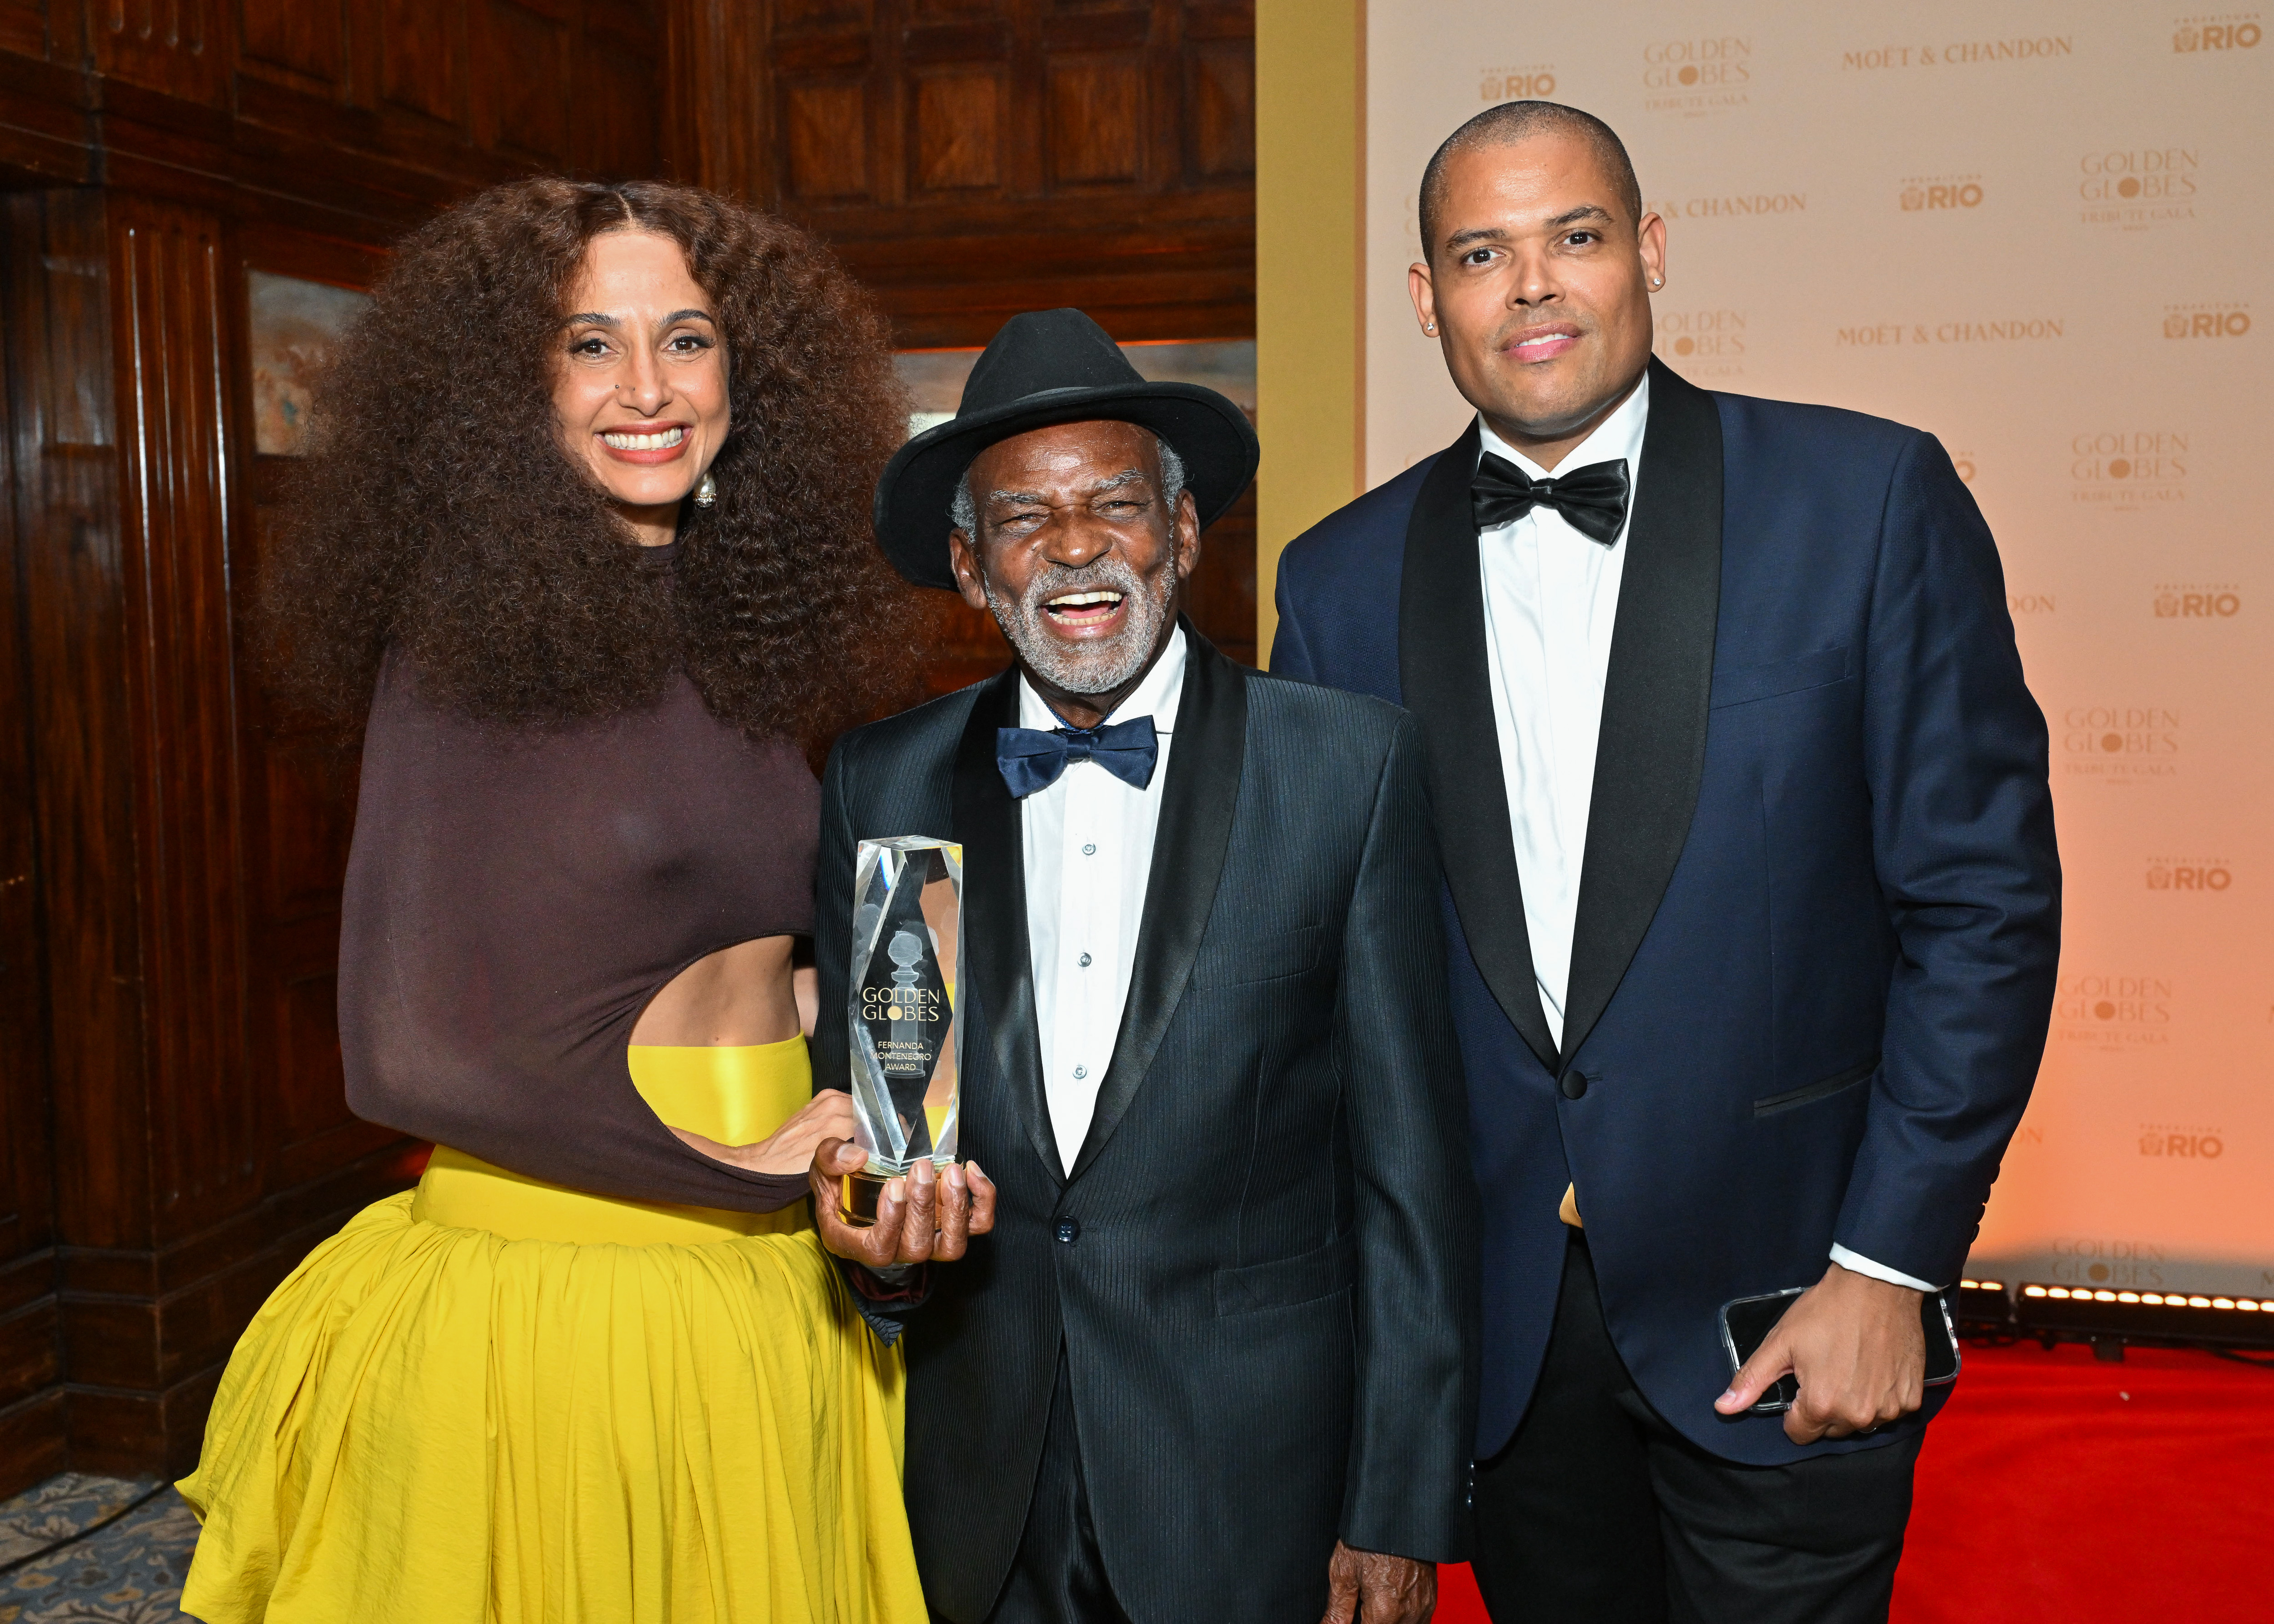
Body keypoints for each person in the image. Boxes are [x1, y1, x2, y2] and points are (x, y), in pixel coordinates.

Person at [1271, 102, 2060, 1623]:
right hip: (1505, 1353)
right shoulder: (1339, 581)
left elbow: (1984, 908)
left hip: (1795, 1311)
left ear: (1648, 249)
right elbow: (1334, 998)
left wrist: (1889, 1264)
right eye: (1480, 254)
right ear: (1426, 298)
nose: (1533, 285)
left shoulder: (1866, 502)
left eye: (1574, 236)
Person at [176, 178, 987, 1624]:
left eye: (688, 339)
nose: (648, 387)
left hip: (769, 1276)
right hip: (574, 1290)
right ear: (512, 387)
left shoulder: (744, 624)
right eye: (590, 344)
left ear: (749, 374)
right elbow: (406, 1051)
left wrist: (891, 1024)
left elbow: (706, 950)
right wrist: (743, 1164)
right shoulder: (463, 647)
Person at [804, 307, 1476, 1624]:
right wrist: (879, 1249)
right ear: (970, 565)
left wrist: (1398, 1503)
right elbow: (880, 1121)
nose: (1075, 547)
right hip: (981, 1483)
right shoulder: (884, 782)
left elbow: (1412, 1177)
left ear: (1182, 530)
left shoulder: (1348, 767)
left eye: (1115, 503)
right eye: (1023, 519)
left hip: (1249, 1489)